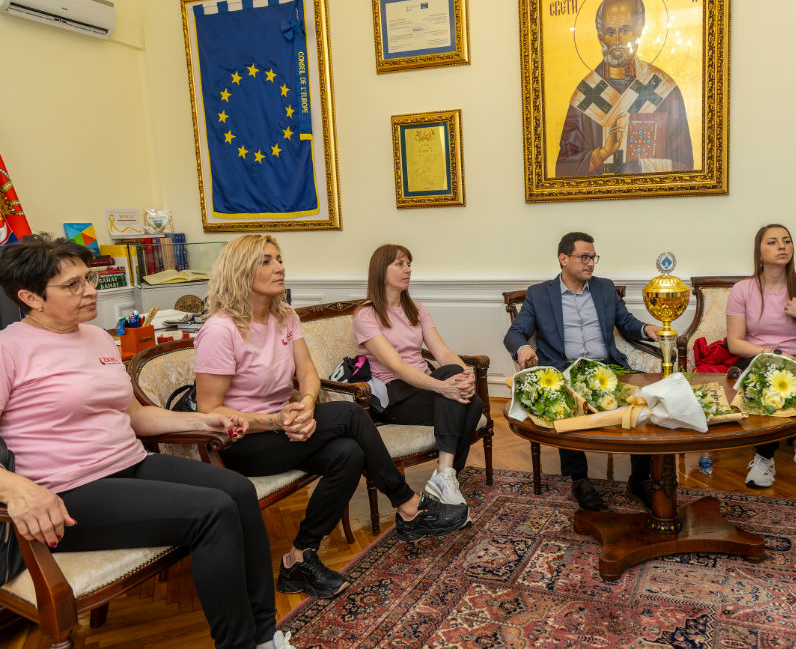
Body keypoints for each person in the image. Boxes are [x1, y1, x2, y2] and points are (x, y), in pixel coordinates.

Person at [0, 234, 293, 649]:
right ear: (30, 297)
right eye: (73, 285)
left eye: (88, 279)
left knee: (238, 490)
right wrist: (17, 489)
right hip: (67, 491)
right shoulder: (8, 350)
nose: (90, 291)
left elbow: (136, 416)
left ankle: (264, 633)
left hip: (129, 462)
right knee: (212, 511)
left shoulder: (98, 337)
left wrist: (203, 420)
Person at [194, 235, 468, 599]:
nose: (280, 267)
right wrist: (277, 421)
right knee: (350, 413)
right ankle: (408, 506)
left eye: (279, 258)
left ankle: (297, 559)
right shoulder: (220, 330)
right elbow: (209, 411)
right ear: (240, 272)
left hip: (287, 425)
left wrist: (307, 404)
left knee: (348, 454)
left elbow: (307, 372)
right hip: (245, 441)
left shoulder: (285, 315)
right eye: (266, 261)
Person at [503, 232, 661, 511]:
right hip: (566, 370)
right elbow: (515, 333)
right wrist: (523, 349)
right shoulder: (540, 294)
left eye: (593, 257)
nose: (590, 263)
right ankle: (580, 480)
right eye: (584, 257)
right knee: (565, 404)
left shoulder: (604, 288)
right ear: (563, 259)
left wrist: (646, 328)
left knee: (644, 403)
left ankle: (639, 479)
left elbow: (625, 322)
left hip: (609, 369)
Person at [353, 244, 483, 510]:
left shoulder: (417, 310)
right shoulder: (366, 315)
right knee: (466, 398)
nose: (408, 270)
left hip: (424, 387)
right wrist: (443, 387)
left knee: (469, 393)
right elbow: (397, 367)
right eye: (399, 264)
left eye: (409, 264)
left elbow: (442, 352)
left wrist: (466, 375)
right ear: (381, 270)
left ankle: (445, 474)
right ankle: (446, 478)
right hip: (396, 395)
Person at [726, 224, 796, 489]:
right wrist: (776, 354)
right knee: (769, 375)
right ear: (759, 253)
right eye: (772, 242)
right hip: (755, 358)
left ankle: (764, 460)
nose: (782, 246)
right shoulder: (743, 289)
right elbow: (735, 343)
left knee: (780, 379)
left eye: (787, 241)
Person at [555, 0, 693, 177]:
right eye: (611, 32)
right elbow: (563, 169)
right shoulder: (586, 95)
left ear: (639, 33)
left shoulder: (663, 89)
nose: (618, 40)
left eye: (625, 30)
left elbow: (684, 164)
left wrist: (639, 168)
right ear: (601, 37)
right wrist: (602, 154)